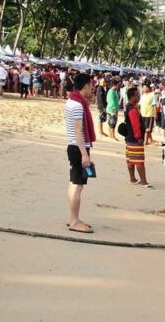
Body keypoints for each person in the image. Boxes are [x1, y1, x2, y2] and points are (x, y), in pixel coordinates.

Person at [65, 73, 96, 234]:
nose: (92, 88)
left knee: (74, 184)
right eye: (91, 86)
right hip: (78, 147)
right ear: (85, 86)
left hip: (73, 146)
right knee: (77, 185)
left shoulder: (73, 101)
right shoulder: (77, 105)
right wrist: (85, 154)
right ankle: (74, 221)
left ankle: (73, 217)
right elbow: (78, 132)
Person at [124, 86, 151, 188]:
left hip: (129, 138)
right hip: (135, 139)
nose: (139, 96)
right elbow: (136, 125)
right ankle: (143, 181)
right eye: (137, 95)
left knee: (130, 159)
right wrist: (139, 137)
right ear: (132, 96)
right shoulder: (133, 110)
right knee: (139, 160)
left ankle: (132, 178)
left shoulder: (129, 107)